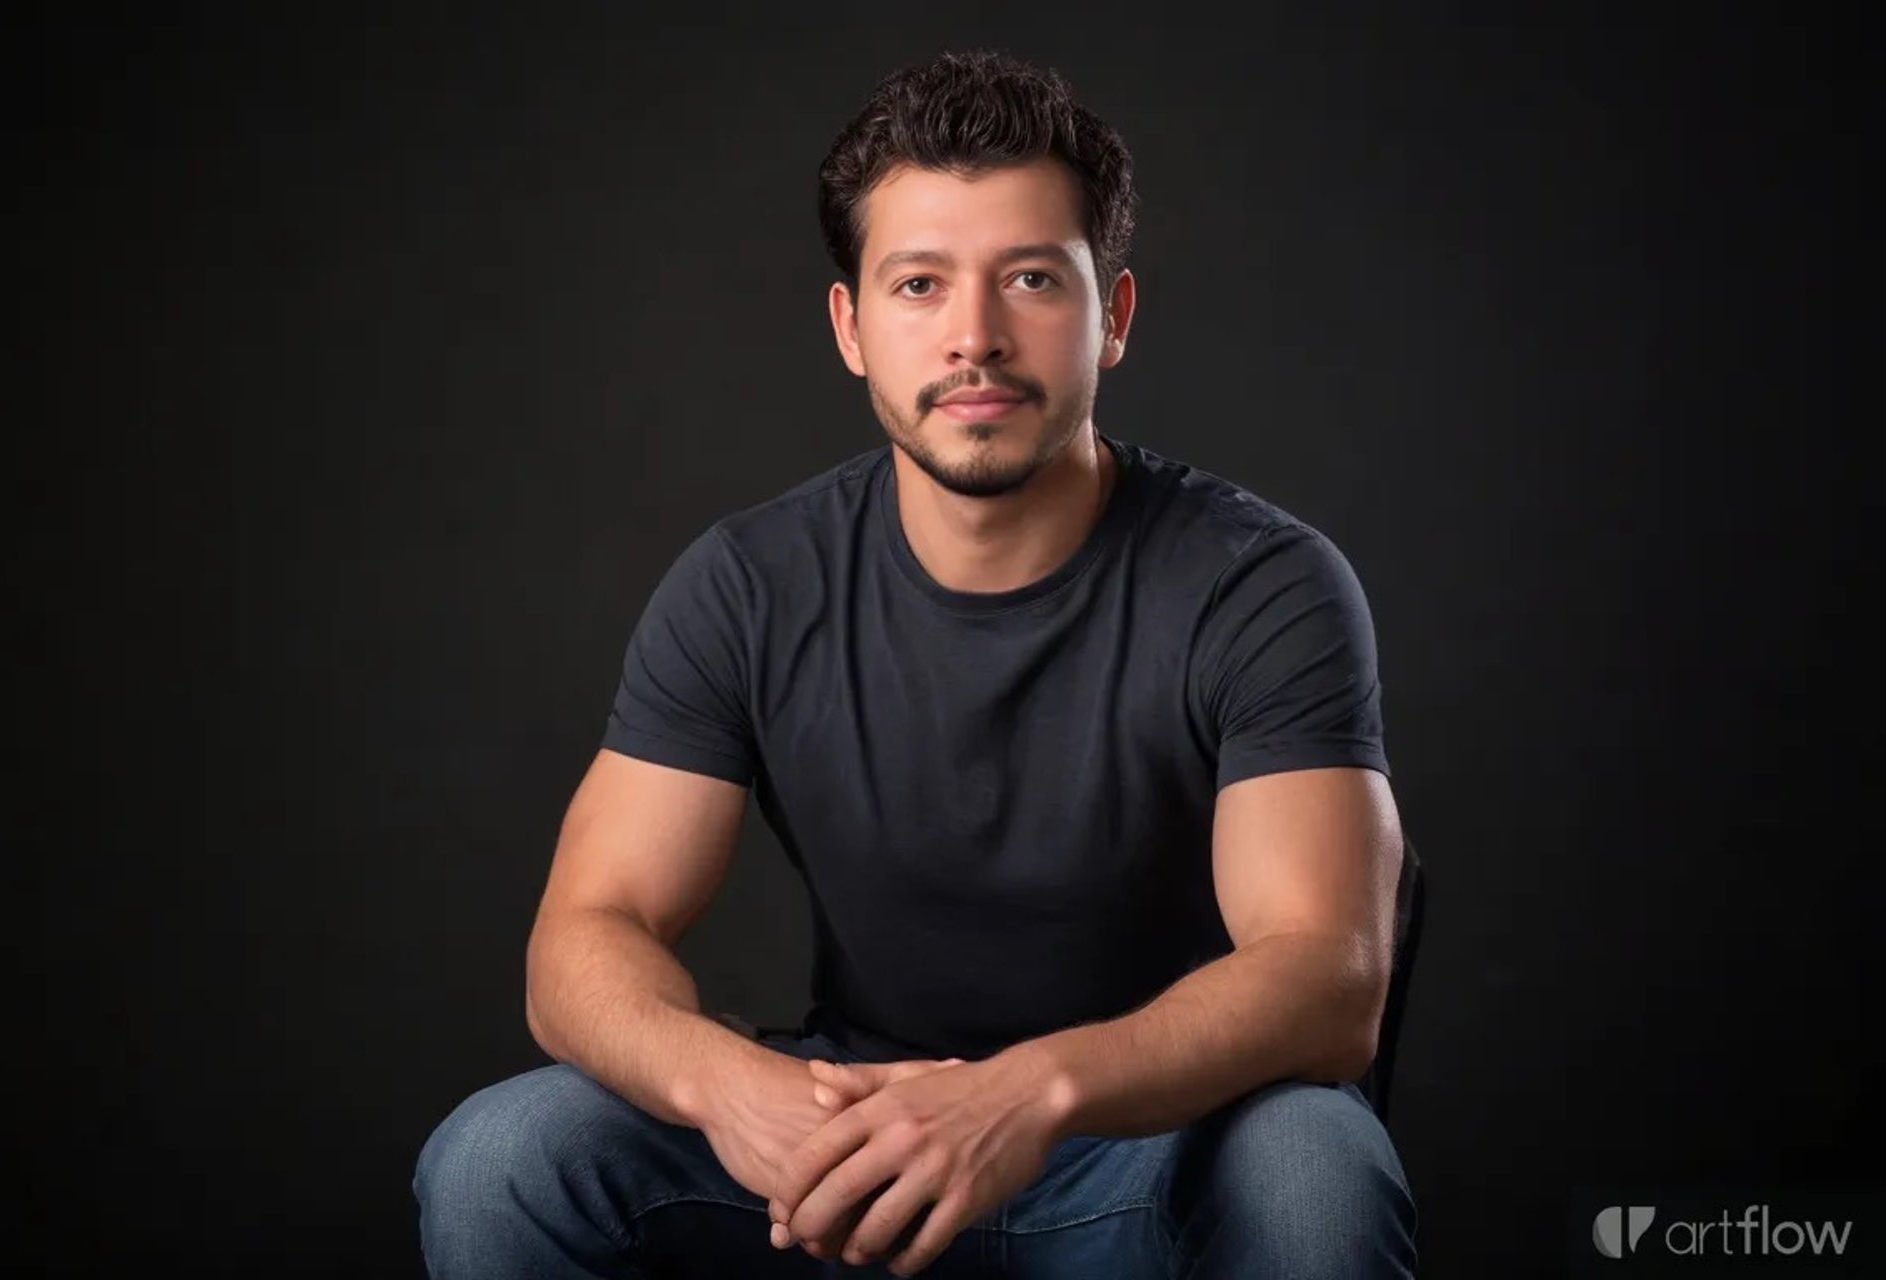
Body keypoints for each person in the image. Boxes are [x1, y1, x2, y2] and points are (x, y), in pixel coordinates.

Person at [415, 47, 1417, 1278]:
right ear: (851, 326)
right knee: (504, 1151)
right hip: (837, 1142)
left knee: (1316, 1164)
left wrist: (1026, 1092)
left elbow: (1328, 973)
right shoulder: (749, 584)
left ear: (1116, 319)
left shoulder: (1260, 582)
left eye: (1034, 279)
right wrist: (736, 1085)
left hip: (1146, 1148)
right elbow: (583, 935)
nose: (975, 337)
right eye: (920, 284)